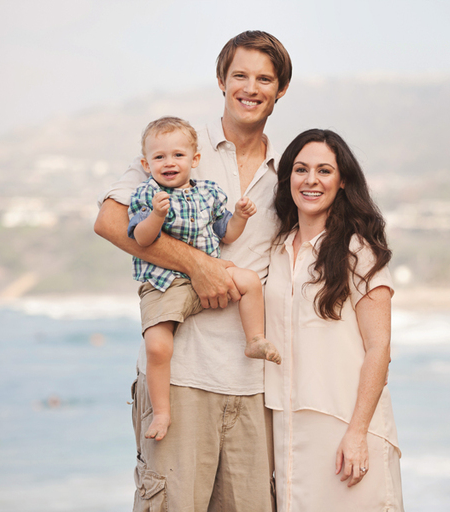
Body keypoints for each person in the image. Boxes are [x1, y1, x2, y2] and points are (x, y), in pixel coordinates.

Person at [94, 30, 291, 512]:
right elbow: (110, 222)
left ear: (280, 90)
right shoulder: (179, 146)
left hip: (251, 387)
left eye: (264, 79)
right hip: (180, 378)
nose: (251, 87)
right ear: (222, 81)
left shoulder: (285, 171)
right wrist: (198, 266)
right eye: (240, 75)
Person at [265, 129, 404, 511]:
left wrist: (357, 433)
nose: (311, 180)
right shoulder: (274, 250)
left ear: (342, 181)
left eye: (324, 170)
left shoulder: (359, 250)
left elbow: (380, 348)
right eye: (301, 169)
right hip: (288, 427)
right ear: (288, 178)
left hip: (346, 423)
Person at [128, 116, 281, 442]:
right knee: (157, 346)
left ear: (195, 160)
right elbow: (141, 238)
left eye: (178, 155)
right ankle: (162, 412)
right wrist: (156, 215)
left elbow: (225, 233)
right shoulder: (147, 194)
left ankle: (254, 339)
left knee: (250, 280)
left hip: (212, 270)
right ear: (146, 163)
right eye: (159, 157)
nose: (169, 163)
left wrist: (239, 216)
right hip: (164, 280)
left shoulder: (209, 193)